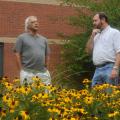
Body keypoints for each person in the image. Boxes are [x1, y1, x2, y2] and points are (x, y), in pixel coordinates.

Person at [13, 16, 51, 85]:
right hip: (27, 72)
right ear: (27, 25)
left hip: (43, 72)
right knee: (27, 94)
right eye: (33, 22)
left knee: (46, 93)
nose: (36, 23)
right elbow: (17, 54)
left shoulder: (44, 39)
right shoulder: (21, 38)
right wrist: (21, 70)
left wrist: (46, 68)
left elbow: (47, 55)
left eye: (37, 22)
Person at [86, 12, 120, 87]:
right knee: (95, 96)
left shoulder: (114, 33)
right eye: (93, 21)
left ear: (103, 20)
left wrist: (115, 69)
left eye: (95, 20)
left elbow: (119, 52)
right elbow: (88, 51)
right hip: (97, 69)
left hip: (110, 68)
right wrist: (92, 36)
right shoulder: (96, 35)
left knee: (110, 95)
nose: (93, 23)